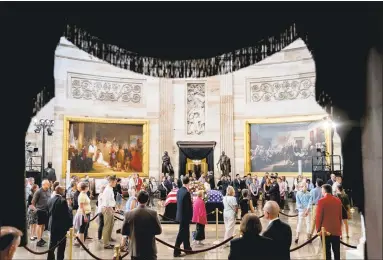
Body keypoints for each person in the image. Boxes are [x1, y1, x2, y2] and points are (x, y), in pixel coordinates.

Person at [122, 190, 162, 260]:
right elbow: (159, 231)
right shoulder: (153, 213)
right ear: (147, 200)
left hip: (135, 250)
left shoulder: (128, 214)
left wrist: (133, 233)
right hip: (149, 250)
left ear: (137, 199)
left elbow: (123, 231)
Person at [315, 184, 342, 260]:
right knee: (337, 251)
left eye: (322, 190)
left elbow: (319, 217)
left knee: (327, 252)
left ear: (324, 191)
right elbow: (340, 216)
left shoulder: (321, 201)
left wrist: (318, 229)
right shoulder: (338, 200)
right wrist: (339, 228)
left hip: (325, 230)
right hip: (336, 229)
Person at [47, 186, 72, 260]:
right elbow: (66, 215)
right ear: (61, 191)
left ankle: (50, 258)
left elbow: (48, 211)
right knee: (61, 245)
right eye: (63, 190)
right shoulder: (63, 201)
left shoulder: (50, 200)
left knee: (52, 243)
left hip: (52, 225)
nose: (64, 191)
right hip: (61, 226)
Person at [173, 176, 193, 257]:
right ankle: (176, 251)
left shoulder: (179, 191)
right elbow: (188, 207)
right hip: (185, 216)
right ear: (188, 183)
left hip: (180, 215)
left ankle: (187, 248)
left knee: (186, 233)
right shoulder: (187, 192)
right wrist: (191, 216)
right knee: (182, 233)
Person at [31, 179, 51, 247]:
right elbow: (33, 202)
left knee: (43, 226)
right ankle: (38, 239)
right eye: (47, 184)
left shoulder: (49, 190)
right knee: (39, 225)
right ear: (43, 184)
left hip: (46, 211)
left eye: (49, 184)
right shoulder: (38, 191)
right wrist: (36, 210)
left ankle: (40, 237)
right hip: (40, 210)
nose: (48, 185)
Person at [101, 175, 117, 249]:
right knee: (107, 226)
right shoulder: (107, 190)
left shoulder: (110, 188)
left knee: (111, 224)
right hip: (107, 209)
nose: (115, 184)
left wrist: (114, 207)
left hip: (110, 208)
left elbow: (111, 200)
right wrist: (110, 209)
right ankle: (106, 243)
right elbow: (106, 201)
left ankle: (109, 238)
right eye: (115, 182)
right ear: (111, 182)